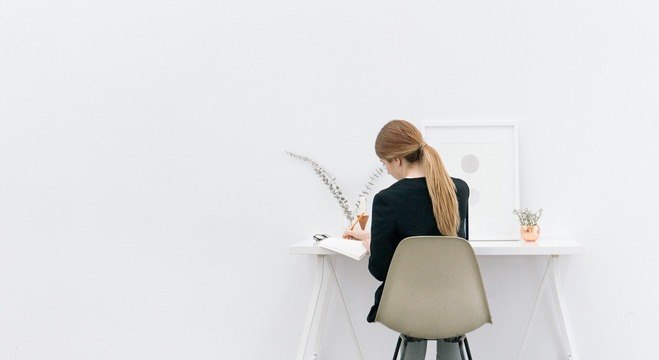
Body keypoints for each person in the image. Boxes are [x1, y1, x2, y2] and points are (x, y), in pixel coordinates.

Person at [343, 120, 469, 360]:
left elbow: (381, 270)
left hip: (407, 305)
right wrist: (376, 237)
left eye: (385, 164)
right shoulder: (458, 190)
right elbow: (456, 248)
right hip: (457, 301)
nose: (387, 171)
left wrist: (374, 246)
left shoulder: (387, 200)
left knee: (415, 301)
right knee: (445, 308)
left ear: (397, 160)